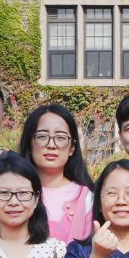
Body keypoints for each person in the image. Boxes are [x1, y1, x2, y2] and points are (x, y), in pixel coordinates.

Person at [15, 102, 95, 245]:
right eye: (42, 136)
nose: (51, 145)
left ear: (72, 148)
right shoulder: (10, 194)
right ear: (29, 143)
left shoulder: (87, 198)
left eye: (61, 137)